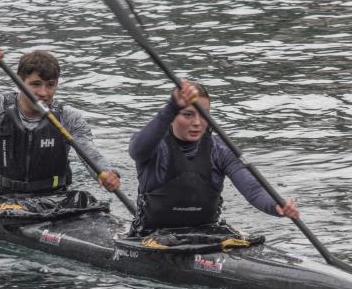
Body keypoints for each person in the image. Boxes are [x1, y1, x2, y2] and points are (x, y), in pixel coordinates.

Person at [128, 80, 299, 234]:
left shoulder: (221, 149)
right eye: (188, 114)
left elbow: (253, 190)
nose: (197, 122)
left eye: (204, 114)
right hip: (150, 237)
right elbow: (136, 151)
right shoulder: (155, 146)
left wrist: (276, 206)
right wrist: (171, 106)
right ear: (172, 116)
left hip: (206, 236)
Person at [0, 44, 120, 201]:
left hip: (53, 199)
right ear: (19, 81)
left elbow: (89, 152)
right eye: (36, 84)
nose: (44, 93)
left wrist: (104, 173)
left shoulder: (69, 118)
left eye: (50, 85)